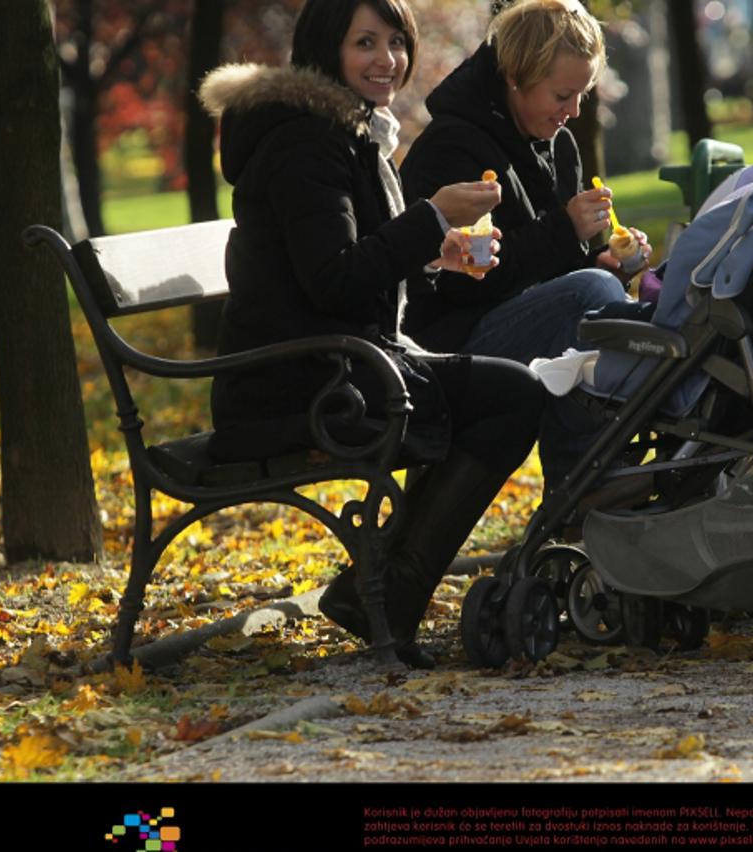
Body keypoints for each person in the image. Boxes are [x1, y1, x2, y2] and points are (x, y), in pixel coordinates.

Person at [198, 0, 547, 668]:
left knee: (509, 392)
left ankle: (379, 587)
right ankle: (385, 590)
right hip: (295, 389)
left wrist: (434, 255)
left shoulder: (345, 130)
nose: (387, 60)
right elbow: (335, 281)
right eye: (366, 43)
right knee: (511, 397)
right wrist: (431, 216)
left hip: (335, 369)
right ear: (328, 50)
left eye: (396, 42)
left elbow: (345, 268)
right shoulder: (305, 140)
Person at [399, 0, 651, 484]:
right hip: (445, 343)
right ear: (515, 78)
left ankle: (596, 477)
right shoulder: (453, 147)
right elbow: (466, 282)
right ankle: (585, 482)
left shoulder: (556, 143)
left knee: (602, 291)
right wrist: (565, 231)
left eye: (583, 95)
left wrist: (607, 261)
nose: (573, 112)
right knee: (591, 295)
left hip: (499, 326)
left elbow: (553, 274)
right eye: (562, 95)